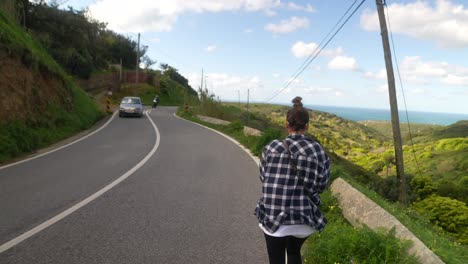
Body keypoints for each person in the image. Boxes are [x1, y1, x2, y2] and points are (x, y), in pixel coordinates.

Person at [255, 96, 331, 264]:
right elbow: (321, 185)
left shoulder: (271, 148)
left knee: (276, 258)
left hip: (273, 216)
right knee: (294, 251)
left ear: (286, 124)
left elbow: (263, 176)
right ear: (307, 126)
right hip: (304, 218)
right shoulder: (318, 151)